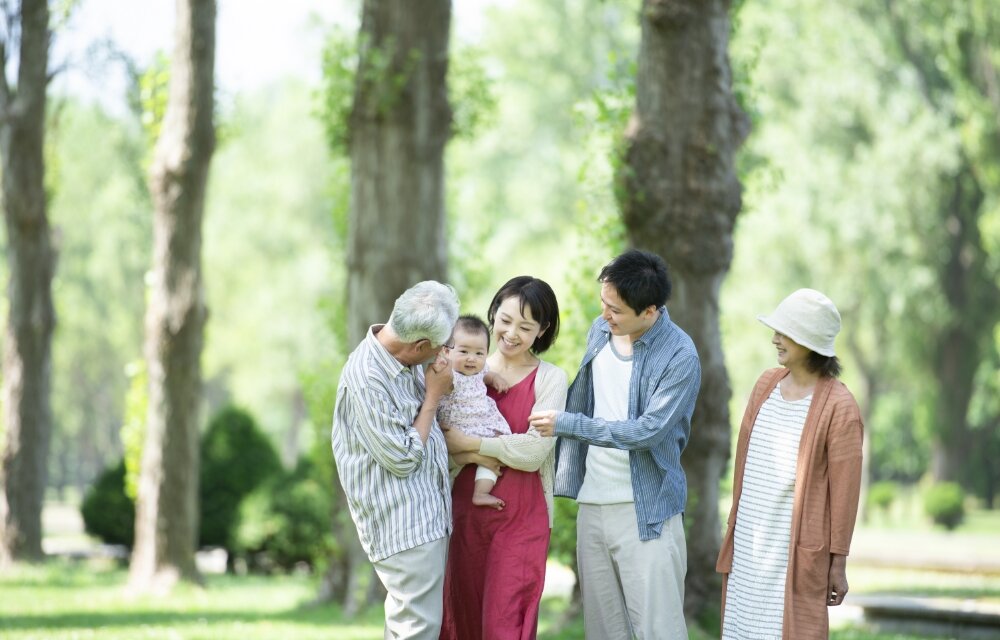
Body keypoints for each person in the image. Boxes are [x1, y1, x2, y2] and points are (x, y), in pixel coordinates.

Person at [530, 249, 701, 640]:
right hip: (593, 504)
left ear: (650, 312)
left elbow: (648, 431)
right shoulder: (600, 330)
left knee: (659, 631)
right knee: (604, 631)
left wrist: (569, 425)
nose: (605, 315)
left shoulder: (679, 355)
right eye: (604, 303)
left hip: (646, 512)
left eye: (616, 310)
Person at [716, 288, 864, 640]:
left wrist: (838, 562)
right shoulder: (765, 384)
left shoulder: (840, 407)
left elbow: (845, 494)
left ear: (808, 341)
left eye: (784, 333)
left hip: (792, 558)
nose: (774, 339)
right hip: (750, 548)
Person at [438, 276, 568, 640]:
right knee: (460, 617)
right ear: (493, 315)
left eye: (525, 327)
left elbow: (533, 452)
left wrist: (470, 443)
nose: (511, 334)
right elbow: (440, 437)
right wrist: (460, 444)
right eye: (505, 321)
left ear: (542, 331)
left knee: (505, 622)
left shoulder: (551, 379)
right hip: (463, 513)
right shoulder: (463, 367)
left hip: (523, 520)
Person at [331, 280, 459, 640]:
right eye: (438, 347)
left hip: (426, 517)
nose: (442, 354)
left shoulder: (407, 361)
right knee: (417, 630)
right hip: (403, 522)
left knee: (410, 626)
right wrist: (432, 397)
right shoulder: (367, 378)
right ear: (419, 345)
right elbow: (402, 458)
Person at [437, 314, 513, 510]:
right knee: (446, 474)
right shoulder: (448, 373)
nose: (472, 358)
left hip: (481, 424)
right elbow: (442, 386)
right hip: (456, 428)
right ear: (446, 351)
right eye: (463, 351)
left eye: (479, 353)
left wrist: (494, 377)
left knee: (495, 454)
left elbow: (485, 373)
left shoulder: (480, 370)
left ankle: (481, 493)